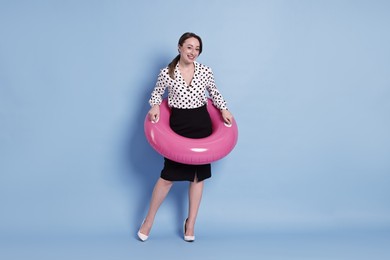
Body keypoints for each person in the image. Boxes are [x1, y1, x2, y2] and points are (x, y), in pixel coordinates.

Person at [137, 32, 233, 242]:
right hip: (178, 126)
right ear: (179, 47)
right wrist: (154, 106)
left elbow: (214, 93)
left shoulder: (206, 71)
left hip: (201, 125)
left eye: (197, 49)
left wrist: (224, 109)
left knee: (197, 177)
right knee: (167, 178)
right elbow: (156, 94)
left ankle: (191, 224)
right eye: (189, 47)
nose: (193, 52)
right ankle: (148, 220)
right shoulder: (166, 73)